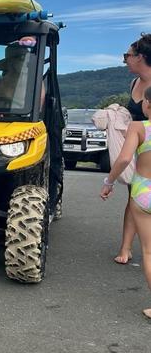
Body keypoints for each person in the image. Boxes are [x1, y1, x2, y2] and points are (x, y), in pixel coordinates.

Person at [100, 85, 151, 319]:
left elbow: (123, 159)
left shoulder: (138, 126)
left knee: (149, 252)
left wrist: (109, 183)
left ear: (147, 104)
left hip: (143, 191)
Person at [116, 33, 151, 264]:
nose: (125, 60)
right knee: (133, 198)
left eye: (127, 55)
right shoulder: (133, 83)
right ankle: (126, 248)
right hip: (138, 146)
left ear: (141, 57)